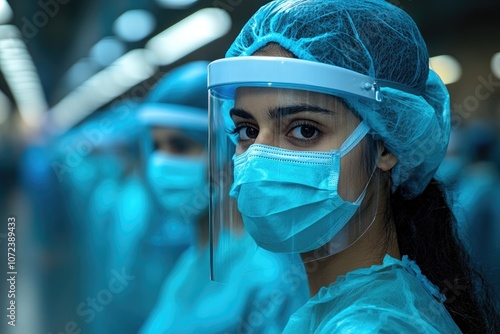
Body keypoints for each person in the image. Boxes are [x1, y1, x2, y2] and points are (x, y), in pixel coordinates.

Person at [207, 0, 500, 332]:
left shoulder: (374, 326)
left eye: (305, 130)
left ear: (386, 145)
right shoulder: (355, 309)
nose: (258, 161)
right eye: (247, 131)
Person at [137, 61, 309, 333]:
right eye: (156, 146)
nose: (161, 163)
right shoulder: (194, 262)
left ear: (226, 151)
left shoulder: (267, 278)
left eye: (180, 146)